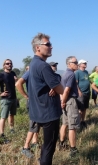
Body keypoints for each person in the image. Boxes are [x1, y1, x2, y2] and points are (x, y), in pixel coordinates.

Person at [29, 33, 64, 165]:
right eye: (48, 44)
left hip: (39, 111)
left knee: (46, 145)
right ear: (38, 47)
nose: (51, 47)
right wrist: (56, 87)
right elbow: (60, 89)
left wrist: (53, 86)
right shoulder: (44, 66)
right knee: (49, 147)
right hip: (49, 112)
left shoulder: (34, 63)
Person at [0, 59, 17, 143]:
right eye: (7, 63)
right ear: (4, 65)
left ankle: (11, 129)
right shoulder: (1, 75)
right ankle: (2, 134)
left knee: (11, 115)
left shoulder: (13, 73)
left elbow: (16, 84)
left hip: (13, 98)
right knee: (3, 117)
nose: (9, 65)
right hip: (5, 99)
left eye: (10, 63)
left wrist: (16, 80)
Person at [15, 65, 40, 158]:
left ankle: (34, 142)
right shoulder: (29, 73)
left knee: (38, 123)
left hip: (38, 103)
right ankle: (25, 148)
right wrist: (26, 96)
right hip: (33, 103)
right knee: (33, 124)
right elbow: (18, 84)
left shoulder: (36, 73)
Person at [59, 56, 80, 157]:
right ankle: (73, 149)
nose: (77, 64)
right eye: (75, 62)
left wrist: (62, 100)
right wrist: (63, 101)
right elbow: (67, 90)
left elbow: (62, 89)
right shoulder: (71, 74)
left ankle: (61, 143)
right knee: (72, 126)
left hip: (65, 100)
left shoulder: (64, 74)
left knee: (65, 123)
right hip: (70, 101)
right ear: (69, 64)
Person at [75, 59, 90, 130]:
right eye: (84, 63)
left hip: (87, 92)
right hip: (81, 93)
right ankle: (78, 122)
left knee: (84, 108)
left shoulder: (86, 72)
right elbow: (76, 83)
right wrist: (79, 91)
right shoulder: (77, 72)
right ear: (80, 64)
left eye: (85, 63)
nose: (85, 64)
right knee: (80, 108)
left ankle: (83, 121)